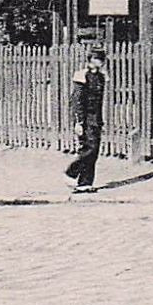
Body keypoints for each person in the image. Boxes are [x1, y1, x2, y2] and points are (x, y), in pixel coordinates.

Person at [65, 46, 107, 194]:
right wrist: (78, 121)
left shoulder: (101, 77)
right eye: (98, 59)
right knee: (89, 148)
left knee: (94, 151)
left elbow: (100, 101)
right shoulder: (81, 76)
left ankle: (85, 183)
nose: (101, 62)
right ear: (91, 59)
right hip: (85, 118)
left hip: (96, 118)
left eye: (102, 59)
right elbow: (77, 100)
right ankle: (71, 172)